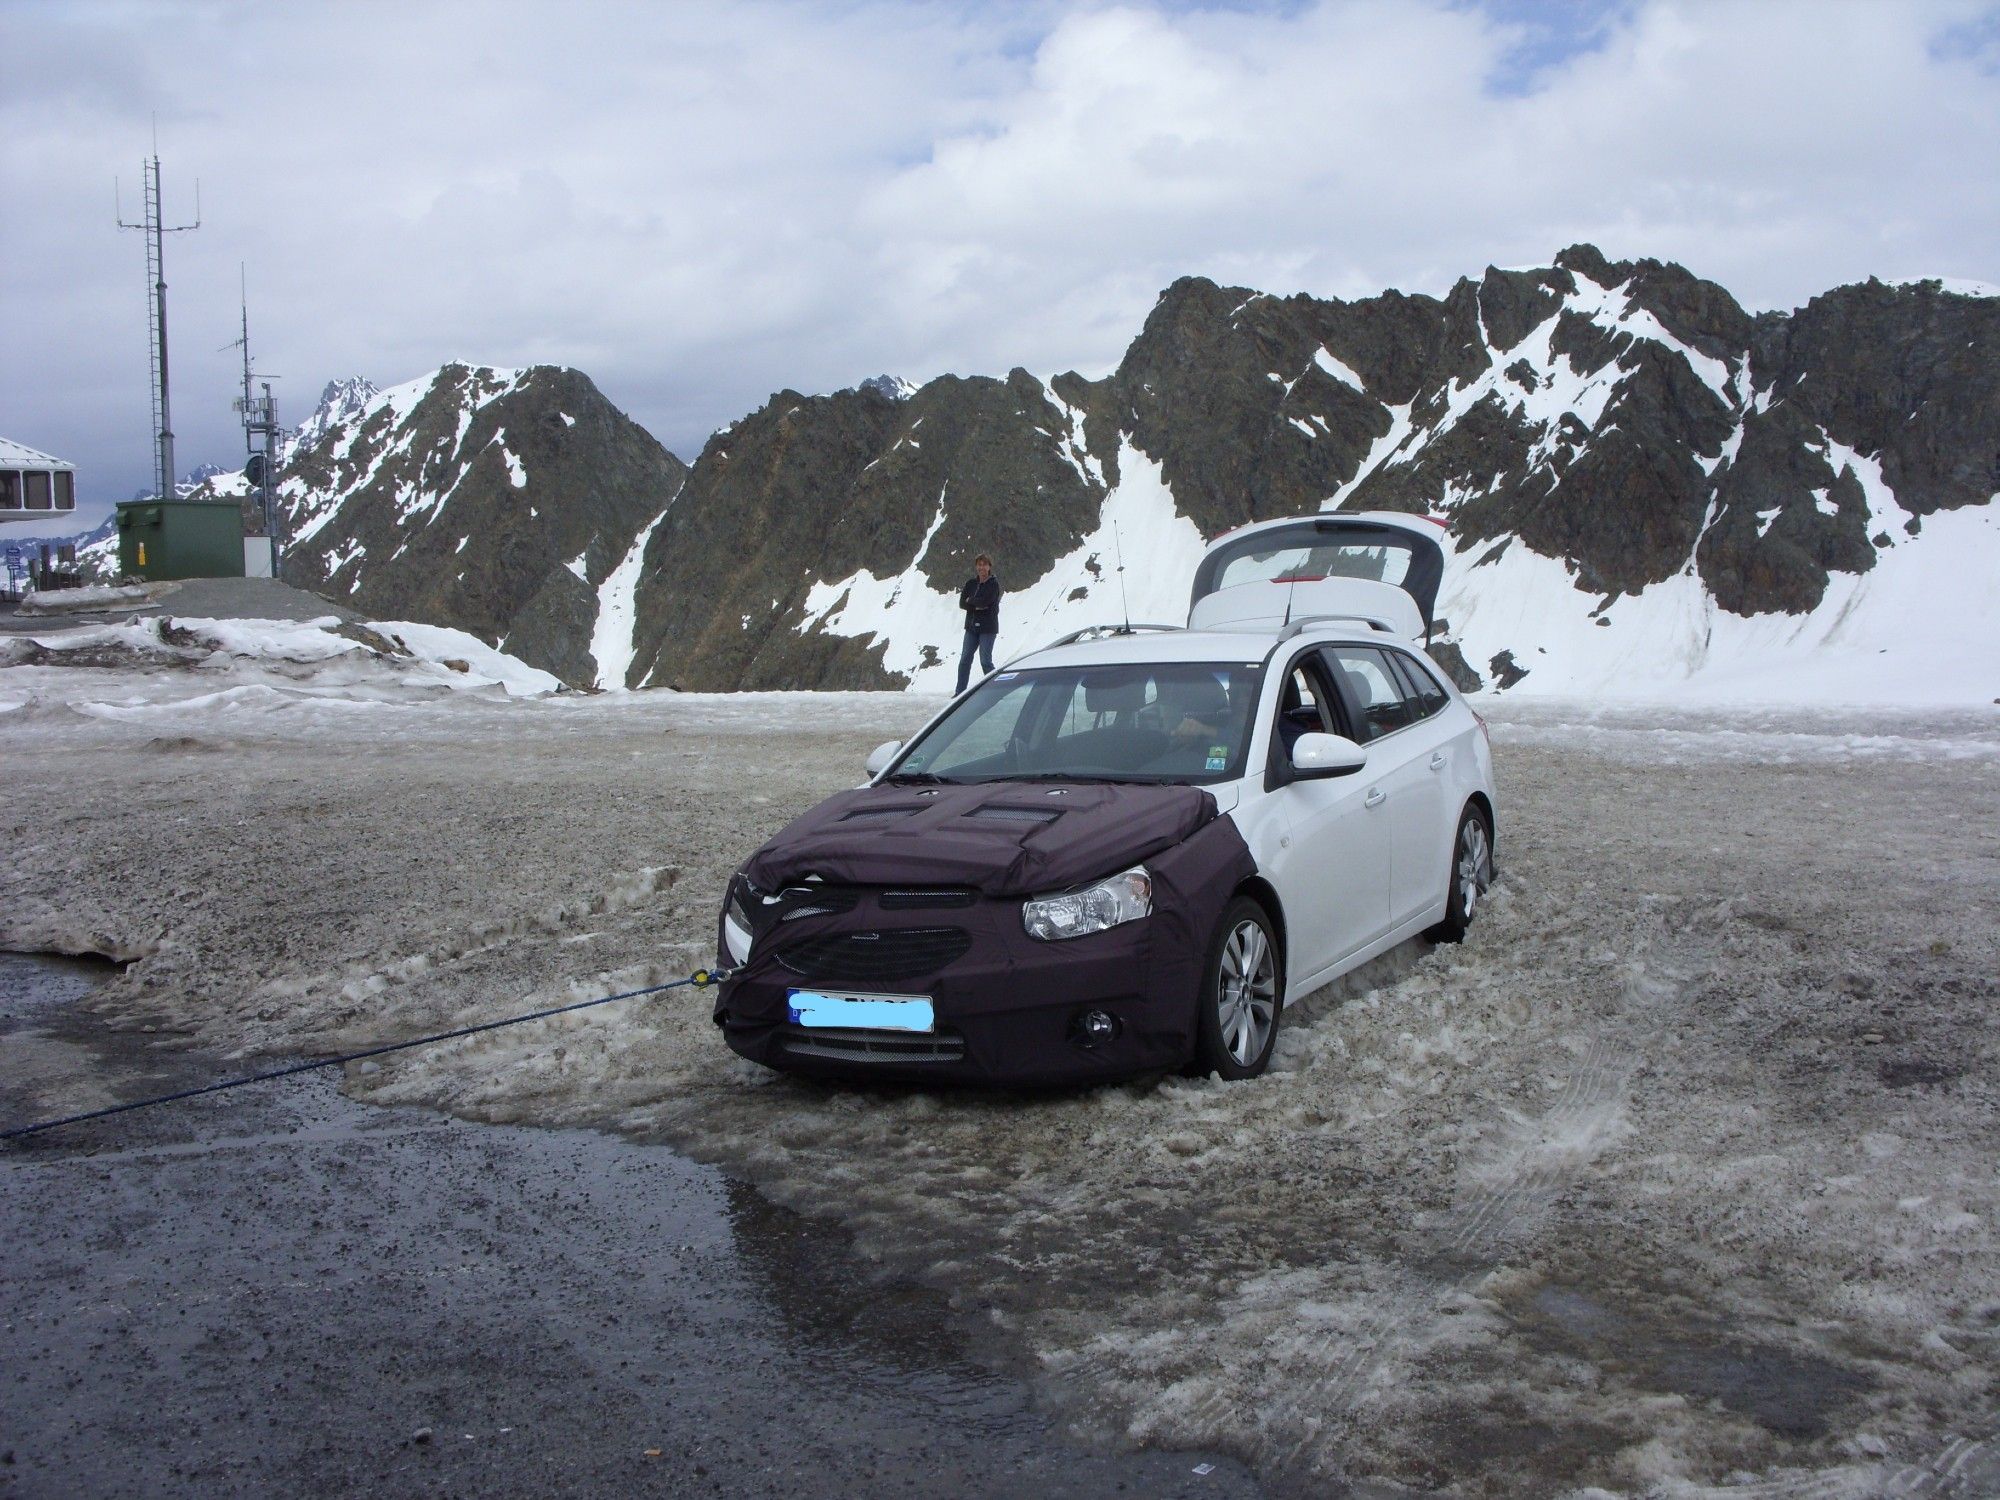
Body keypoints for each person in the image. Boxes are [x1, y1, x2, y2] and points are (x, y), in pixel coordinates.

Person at [955, 553, 1001, 694]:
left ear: (989, 567)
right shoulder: (971, 584)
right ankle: (960, 693)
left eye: (984, 564)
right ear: (976, 566)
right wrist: (976, 604)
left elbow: (986, 601)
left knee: (985, 661)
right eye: (979, 564)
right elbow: (962, 603)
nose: (981, 567)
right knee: (964, 660)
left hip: (987, 628)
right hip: (971, 628)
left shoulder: (993, 585)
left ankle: (997, 691)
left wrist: (972, 601)